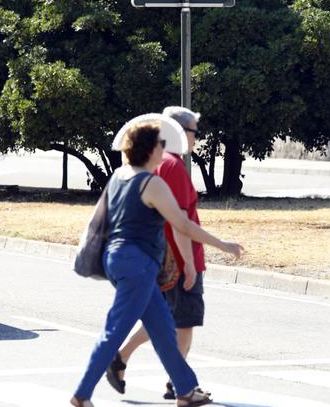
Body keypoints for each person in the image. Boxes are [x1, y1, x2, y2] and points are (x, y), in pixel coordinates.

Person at [70, 122, 243, 407]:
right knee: (115, 331)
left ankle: (186, 390)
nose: (164, 150)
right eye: (161, 145)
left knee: (163, 327)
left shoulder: (119, 176)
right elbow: (183, 224)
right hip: (137, 265)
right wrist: (223, 245)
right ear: (151, 149)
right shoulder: (152, 184)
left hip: (119, 261)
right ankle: (81, 394)